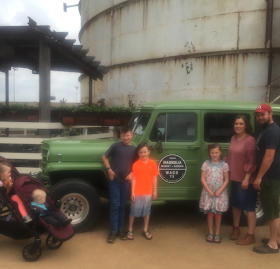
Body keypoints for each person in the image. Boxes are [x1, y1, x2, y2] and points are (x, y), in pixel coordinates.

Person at [102, 125, 137, 243]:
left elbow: (136, 164)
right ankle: (113, 231)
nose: (126, 137)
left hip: (126, 182)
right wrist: (109, 170)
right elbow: (105, 157)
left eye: (128, 135)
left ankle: (121, 230)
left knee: (122, 206)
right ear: (120, 136)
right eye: (123, 135)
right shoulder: (115, 146)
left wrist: (132, 173)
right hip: (115, 181)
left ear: (132, 136)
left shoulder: (134, 149)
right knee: (114, 206)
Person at [253, 104, 280, 254]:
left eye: (263, 114)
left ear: (271, 113)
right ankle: (277, 239)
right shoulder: (268, 129)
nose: (260, 117)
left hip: (270, 176)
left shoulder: (272, 130)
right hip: (271, 176)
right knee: (274, 208)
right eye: (257, 115)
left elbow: (269, 156)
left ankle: (272, 245)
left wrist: (259, 177)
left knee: (271, 210)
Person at [227, 115, 257, 245]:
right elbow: (230, 157)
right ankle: (236, 228)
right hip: (234, 177)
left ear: (246, 126)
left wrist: (246, 178)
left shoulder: (250, 140)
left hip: (245, 180)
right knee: (235, 205)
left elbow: (252, 160)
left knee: (249, 207)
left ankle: (250, 235)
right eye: (236, 123)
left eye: (241, 124)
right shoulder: (233, 138)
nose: (238, 126)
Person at [199, 143, 229, 243]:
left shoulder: (224, 165)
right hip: (209, 193)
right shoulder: (206, 164)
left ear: (220, 153)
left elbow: (226, 179)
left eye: (216, 152)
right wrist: (208, 190)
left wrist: (220, 190)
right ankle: (210, 232)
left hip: (220, 193)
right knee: (210, 212)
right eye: (212, 153)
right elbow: (202, 178)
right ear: (209, 153)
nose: (214, 154)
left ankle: (217, 233)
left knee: (218, 213)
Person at [127, 143, 158, 240]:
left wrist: (155, 191)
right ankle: (130, 229)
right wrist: (132, 192)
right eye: (141, 152)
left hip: (148, 192)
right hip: (137, 192)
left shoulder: (153, 164)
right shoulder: (135, 165)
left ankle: (145, 229)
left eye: (145, 152)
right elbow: (134, 179)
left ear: (149, 152)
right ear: (138, 153)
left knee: (147, 212)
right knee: (133, 212)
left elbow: (154, 178)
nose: (143, 154)